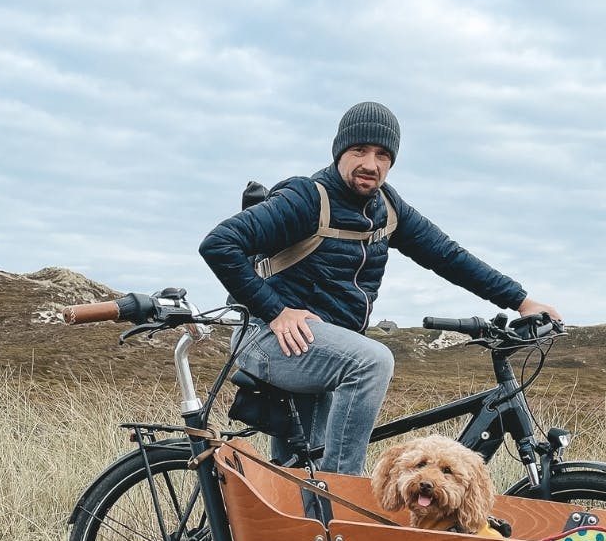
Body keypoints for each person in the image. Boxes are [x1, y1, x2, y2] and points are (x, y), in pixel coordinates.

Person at [199, 101, 561, 475]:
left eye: (382, 154)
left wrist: (521, 301)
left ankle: (307, 514)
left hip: (322, 346)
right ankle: (346, 492)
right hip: (267, 336)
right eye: (360, 150)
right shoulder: (307, 198)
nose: (371, 164)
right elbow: (219, 244)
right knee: (371, 362)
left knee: (302, 476)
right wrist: (275, 311)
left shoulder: (388, 208)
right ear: (340, 152)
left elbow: (447, 255)